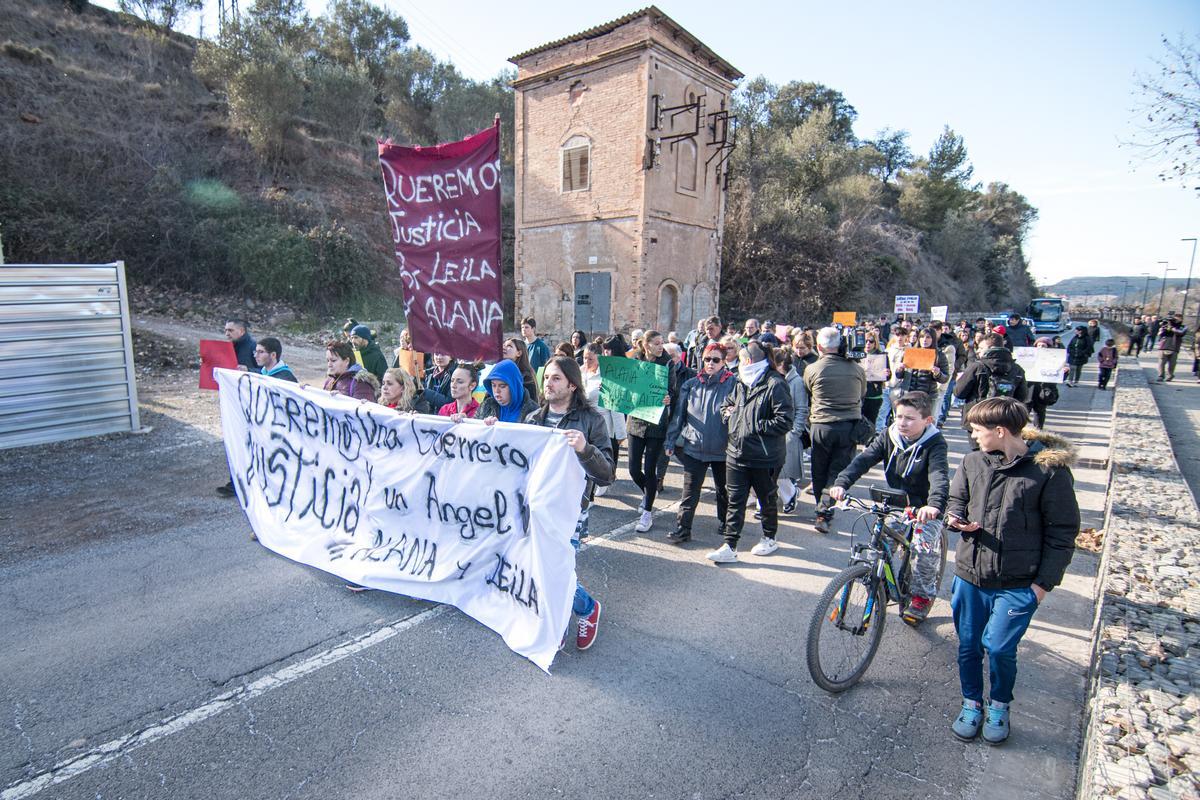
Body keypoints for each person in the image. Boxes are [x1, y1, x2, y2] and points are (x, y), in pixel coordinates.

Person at [945, 397, 1079, 745]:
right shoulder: (973, 461)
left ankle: (1000, 705)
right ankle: (972, 703)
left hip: (1018, 584)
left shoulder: (1049, 472)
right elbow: (956, 499)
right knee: (969, 645)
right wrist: (955, 518)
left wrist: (1043, 585)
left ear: (1000, 431)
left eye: (977, 430)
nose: (974, 437)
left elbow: (1063, 533)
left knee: (1000, 648)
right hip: (969, 576)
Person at [828, 391, 949, 625]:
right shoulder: (889, 436)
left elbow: (939, 476)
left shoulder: (934, 443)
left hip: (926, 505)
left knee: (923, 550)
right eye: (898, 416)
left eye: (910, 418)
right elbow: (863, 461)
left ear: (928, 421)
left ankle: (921, 597)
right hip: (896, 503)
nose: (902, 423)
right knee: (880, 542)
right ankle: (878, 581)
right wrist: (842, 483)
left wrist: (934, 505)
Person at [527, 356, 615, 651]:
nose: (548, 384)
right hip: (537, 508)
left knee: (559, 568)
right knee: (539, 566)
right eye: (546, 378)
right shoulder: (533, 419)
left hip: (571, 510)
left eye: (555, 379)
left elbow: (606, 475)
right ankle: (561, 618)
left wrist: (585, 449)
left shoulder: (591, 421)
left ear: (572, 385)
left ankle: (586, 609)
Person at [706, 341, 794, 563]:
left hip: (764, 456)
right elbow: (727, 405)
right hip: (736, 452)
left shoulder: (775, 383)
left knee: (766, 498)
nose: (743, 363)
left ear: (756, 361)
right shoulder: (740, 382)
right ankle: (730, 544)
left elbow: (785, 420)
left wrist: (753, 424)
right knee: (735, 500)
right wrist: (730, 416)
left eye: (747, 359)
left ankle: (769, 537)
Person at [664, 342, 735, 543]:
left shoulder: (734, 384)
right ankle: (683, 529)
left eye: (716, 360)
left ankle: (726, 522)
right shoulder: (691, 385)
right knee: (689, 492)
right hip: (694, 447)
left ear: (723, 361)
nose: (710, 363)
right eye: (707, 359)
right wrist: (670, 441)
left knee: (724, 490)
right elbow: (679, 416)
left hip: (723, 448)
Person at [800, 327, 867, 533]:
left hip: (821, 426)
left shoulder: (812, 369)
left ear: (819, 347)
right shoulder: (856, 369)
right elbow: (862, 393)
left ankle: (822, 510)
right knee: (837, 472)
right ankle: (825, 511)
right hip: (848, 426)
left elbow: (808, 391)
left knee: (819, 470)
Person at [626, 330, 680, 533]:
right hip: (635, 420)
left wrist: (668, 397)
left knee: (650, 469)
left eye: (662, 343)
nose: (661, 346)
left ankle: (647, 513)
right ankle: (649, 492)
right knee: (633, 468)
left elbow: (672, 391)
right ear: (646, 345)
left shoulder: (667, 363)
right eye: (657, 343)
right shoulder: (634, 360)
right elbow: (626, 385)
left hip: (656, 422)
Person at [953, 333, 1028, 447]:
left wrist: (960, 380)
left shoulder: (977, 366)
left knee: (979, 456)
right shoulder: (1017, 369)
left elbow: (959, 392)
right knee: (1001, 455)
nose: (978, 351)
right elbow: (1022, 397)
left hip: (978, 418)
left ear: (991, 349)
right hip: (1005, 419)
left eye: (982, 348)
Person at [581, 343, 626, 480]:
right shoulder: (580, 373)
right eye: (584, 358)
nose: (586, 362)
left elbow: (615, 407)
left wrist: (620, 434)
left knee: (601, 459)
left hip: (603, 425)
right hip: (584, 424)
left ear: (599, 359)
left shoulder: (607, 376)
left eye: (590, 359)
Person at [776, 348, 808, 515]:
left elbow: (802, 409)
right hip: (773, 429)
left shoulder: (796, 382)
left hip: (788, 432)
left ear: (781, 364)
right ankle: (762, 502)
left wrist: (795, 432)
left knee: (782, 471)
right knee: (769, 470)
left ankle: (790, 496)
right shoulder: (773, 378)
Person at [475, 359, 538, 423]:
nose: (497, 391)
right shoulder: (486, 406)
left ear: (514, 386)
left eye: (502, 386)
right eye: (493, 385)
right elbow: (474, 429)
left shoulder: (534, 412)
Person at [1026, 338, 1063, 429]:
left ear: (1049, 347)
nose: (1040, 347)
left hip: (1044, 389)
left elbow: (1057, 375)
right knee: (1024, 410)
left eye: (1043, 345)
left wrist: (1064, 372)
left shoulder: (1054, 359)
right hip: (1029, 388)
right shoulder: (1029, 357)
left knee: (1040, 411)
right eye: (1038, 345)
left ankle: (1038, 432)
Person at [861, 333, 889, 428]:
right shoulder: (857, 354)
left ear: (875, 343)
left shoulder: (881, 356)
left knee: (871, 423)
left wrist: (887, 374)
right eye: (865, 341)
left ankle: (870, 442)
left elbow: (887, 376)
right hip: (859, 394)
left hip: (874, 395)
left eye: (871, 341)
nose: (868, 343)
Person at [503, 337, 540, 402]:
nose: (504, 348)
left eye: (509, 346)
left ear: (519, 353)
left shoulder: (527, 377)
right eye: (504, 345)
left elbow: (532, 404)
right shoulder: (499, 371)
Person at [1155, 313, 1187, 382]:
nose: (1175, 320)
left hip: (1174, 347)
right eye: (1175, 319)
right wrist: (1164, 327)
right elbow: (1161, 334)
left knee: (1172, 364)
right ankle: (1161, 376)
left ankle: (1170, 375)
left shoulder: (1183, 327)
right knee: (1161, 362)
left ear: (1181, 319)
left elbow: (1181, 333)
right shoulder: (1167, 325)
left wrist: (1172, 328)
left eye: (1177, 319)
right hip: (1164, 346)